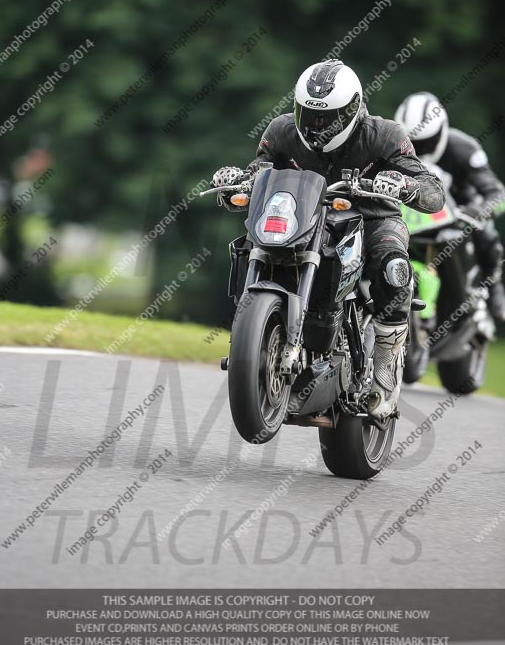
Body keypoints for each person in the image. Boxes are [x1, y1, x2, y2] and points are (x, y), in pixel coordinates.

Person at [211, 60, 445, 419]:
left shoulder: (385, 134)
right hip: (302, 215)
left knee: (395, 269)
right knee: (249, 243)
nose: (316, 126)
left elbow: (433, 193)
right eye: (309, 115)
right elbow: (260, 170)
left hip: (373, 217)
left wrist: (404, 185)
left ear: (352, 109)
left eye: (327, 118)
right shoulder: (282, 131)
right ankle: (260, 334)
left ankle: (386, 363)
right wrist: (239, 181)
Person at [394, 92, 505, 321]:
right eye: (414, 143)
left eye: (426, 142)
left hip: (459, 216)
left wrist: (480, 210)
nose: (420, 150)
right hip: (411, 219)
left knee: (487, 232)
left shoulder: (464, 148)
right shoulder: (392, 147)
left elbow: (497, 193)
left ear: (442, 130)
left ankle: (494, 287)